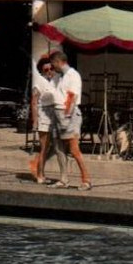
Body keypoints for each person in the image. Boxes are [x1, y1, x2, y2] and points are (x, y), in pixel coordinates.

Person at [50, 51, 91, 191]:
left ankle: (86, 180)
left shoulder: (73, 75)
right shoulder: (60, 77)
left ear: (58, 62)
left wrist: (67, 116)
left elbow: (72, 97)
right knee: (58, 148)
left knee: (73, 149)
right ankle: (64, 179)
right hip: (57, 113)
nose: (53, 67)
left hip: (68, 114)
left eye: (53, 64)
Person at [29, 55, 66, 185]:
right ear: (41, 71)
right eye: (46, 70)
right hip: (44, 115)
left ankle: (40, 170)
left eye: (51, 68)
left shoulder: (55, 80)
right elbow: (33, 102)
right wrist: (35, 121)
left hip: (54, 115)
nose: (50, 71)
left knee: (53, 147)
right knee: (44, 147)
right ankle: (39, 175)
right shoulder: (39, 81)